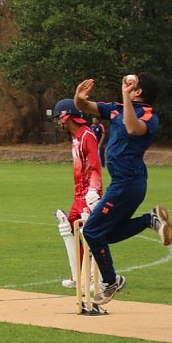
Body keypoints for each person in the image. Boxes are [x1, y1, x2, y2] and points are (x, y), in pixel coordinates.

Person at [74, 73, 172, 305]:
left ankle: (111, 281)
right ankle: (149, 220)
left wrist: (126, 97)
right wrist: (79, 98)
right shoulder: (116, 108)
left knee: (91, 231)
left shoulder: (149, 115)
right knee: (104, 235)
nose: (127, 85)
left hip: (128, 183)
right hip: (122, 183)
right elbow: (85, 106)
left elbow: (132, 128)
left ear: (138, 92)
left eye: (133, 84)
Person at [51, 99, 103, 289]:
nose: (59, 122)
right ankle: (79, 274)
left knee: (89, 235)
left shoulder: (87, 135)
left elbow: (96, 167)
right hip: (78, 196)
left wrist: (93, 191)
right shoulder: (76, 137)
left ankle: (97, 277)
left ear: (67, 116)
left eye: (60, 118)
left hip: (89, 196)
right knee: (69, 229)